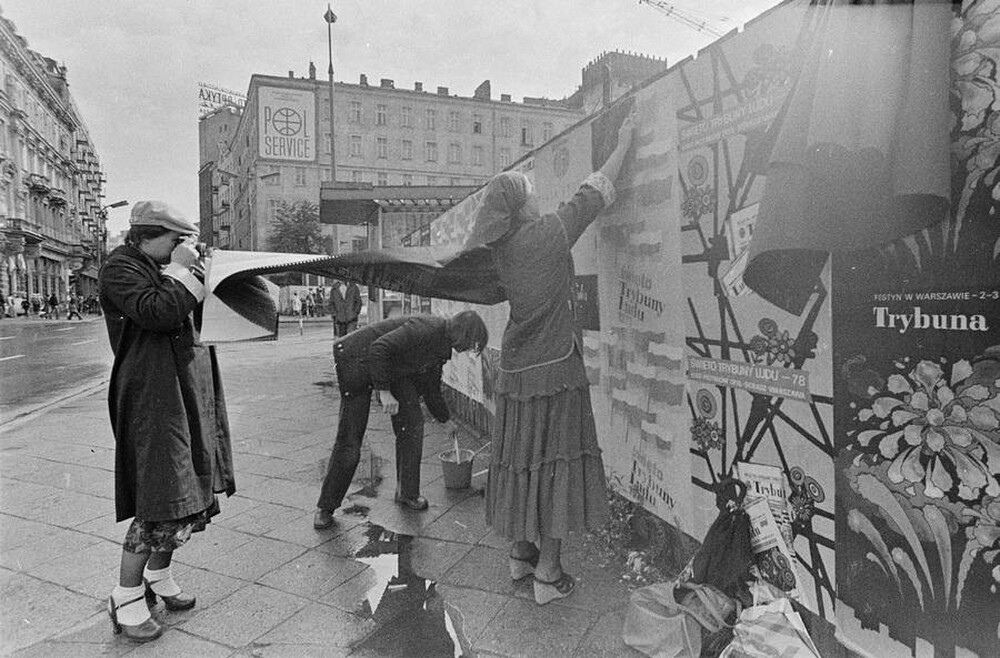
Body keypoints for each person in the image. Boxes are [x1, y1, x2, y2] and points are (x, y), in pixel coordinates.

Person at [468, 110, 635, 605]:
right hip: (556, 370)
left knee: (522, 461)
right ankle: (549, 572)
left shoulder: (504, 251)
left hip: (518, 370)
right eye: (531, 193)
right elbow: (594, 195)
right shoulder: (544, 236)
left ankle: (522, 553)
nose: (540, 198)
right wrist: (624, 140)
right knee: (558, 461)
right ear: (520, 210)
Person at [98, 200, 236, 643]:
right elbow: (158, 312)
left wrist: (208, 275)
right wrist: (185, 271)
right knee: (162, 493)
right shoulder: (120, 269)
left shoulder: (161, 264)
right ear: (146, 235)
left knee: (188, 489)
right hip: (152, 394)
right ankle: (125, 595)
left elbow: (194, 313)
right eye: (176, 240)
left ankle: (158, 577)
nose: (183, 248)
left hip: (184, 387)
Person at [314, 310, 489, 529]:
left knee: (412, 423)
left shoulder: (441, 346)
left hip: (391, 370)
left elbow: (430, 388)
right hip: (357, 359)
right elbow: (379, 349)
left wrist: (445, 420)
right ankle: (325, 507)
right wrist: (384, 391)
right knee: (350, 440)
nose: (470, 349)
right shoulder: (428, 329)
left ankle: (407, 493)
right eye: (472, 343)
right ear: (463, 332)